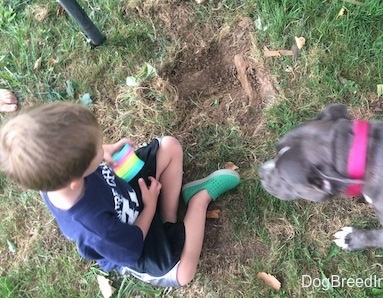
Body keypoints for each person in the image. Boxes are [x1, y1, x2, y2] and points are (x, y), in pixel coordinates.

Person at [0, 102, 240, 287]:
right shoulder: (94, 229)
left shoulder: (57, 176)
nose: (101, 146)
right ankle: (199, 201)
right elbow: (132, 246)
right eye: (96, 148)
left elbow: (87, 159)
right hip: (135, 239)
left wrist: (105, 152)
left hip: (129, 194)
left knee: (169, 147)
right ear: (76, 179)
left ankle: (169, 220)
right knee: (184, 274)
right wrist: (149, 206)